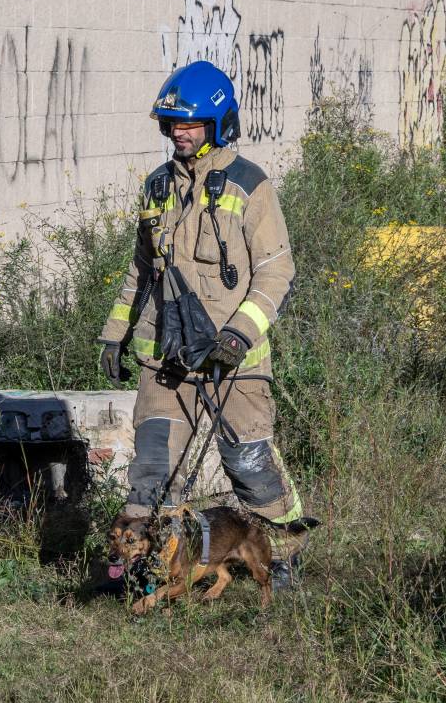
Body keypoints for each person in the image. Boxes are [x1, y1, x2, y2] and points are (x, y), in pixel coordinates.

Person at [96, 60, 306, 589]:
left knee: (250, 465)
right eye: (172, 123)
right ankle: (150, 572)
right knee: (150, 471)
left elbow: (277, 270)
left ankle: (282, 557)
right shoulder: (157, 187)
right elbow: (141, 269)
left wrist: (238, 335)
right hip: (166, 363)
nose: (178, 133)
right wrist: (115, 333)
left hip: (234, 364)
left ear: (218, 124)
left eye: (190, 123)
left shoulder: (250, 185)